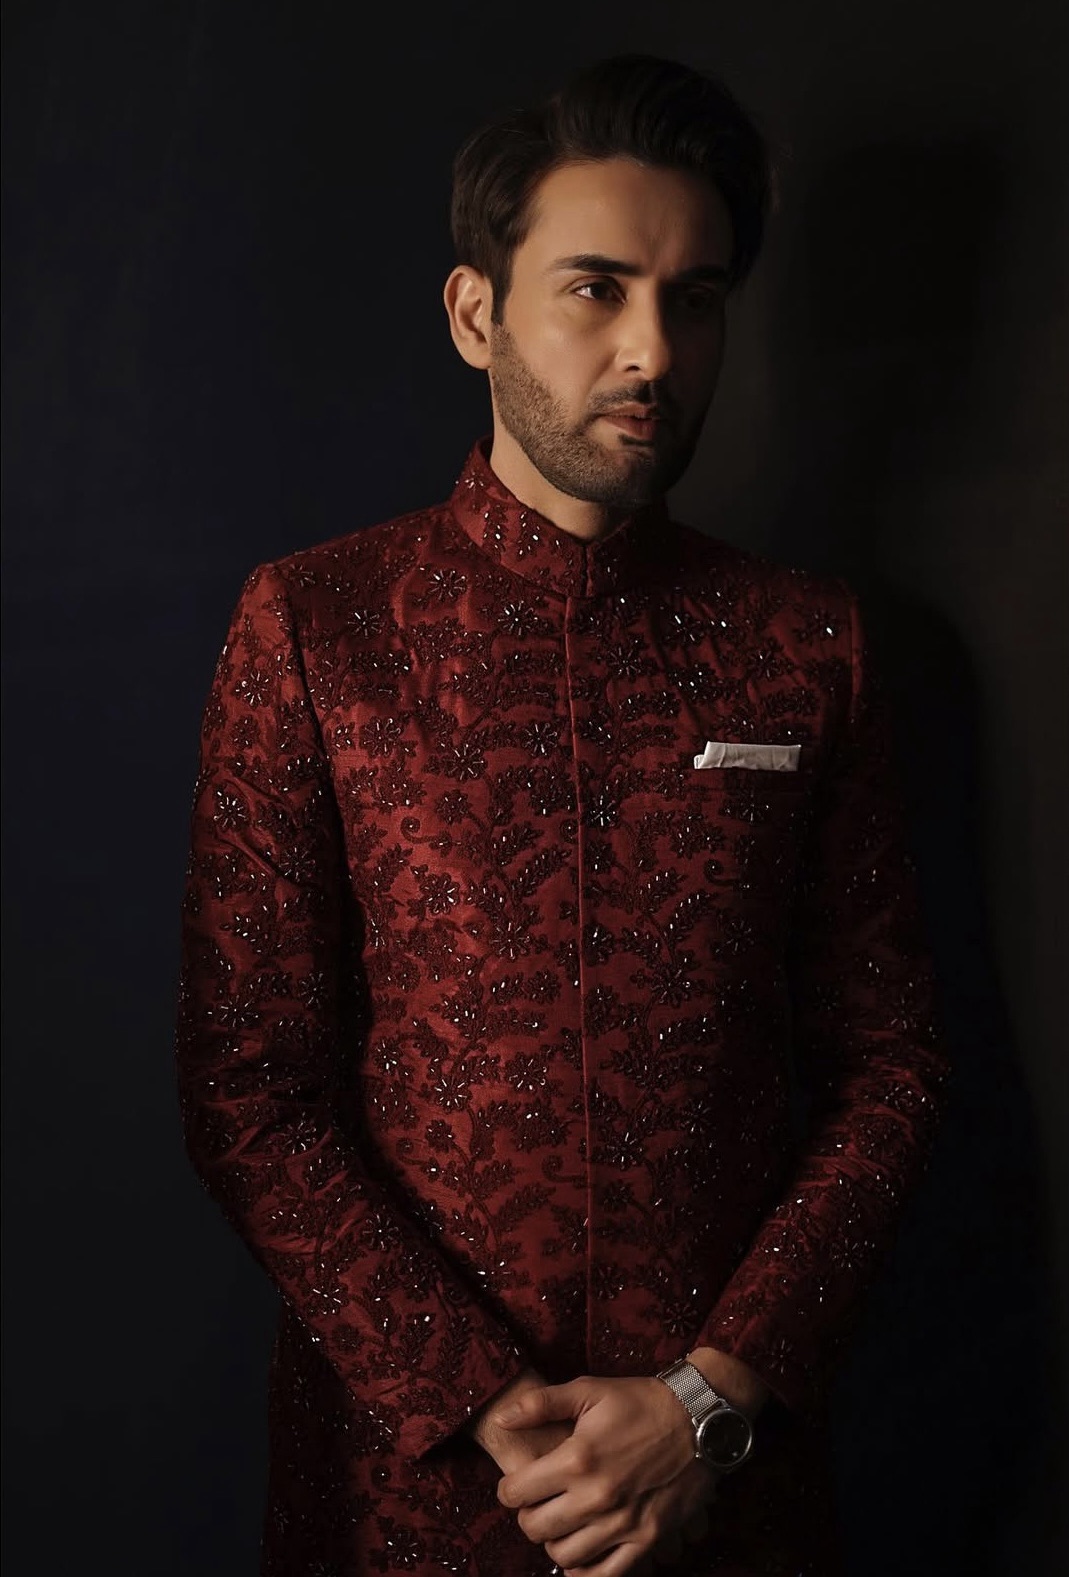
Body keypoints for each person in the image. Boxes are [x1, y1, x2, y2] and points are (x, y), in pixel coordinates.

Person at [175, 53, 949, 1577]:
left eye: (694, 299)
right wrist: (474, 1398)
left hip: (724, 1493)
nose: (651, 349)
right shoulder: (317, 627)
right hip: (405, 1489)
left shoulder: (804, 645)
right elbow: (245, 1082)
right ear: (477, 312)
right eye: (596, 288)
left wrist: (706, 1402)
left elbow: (892, 1067)